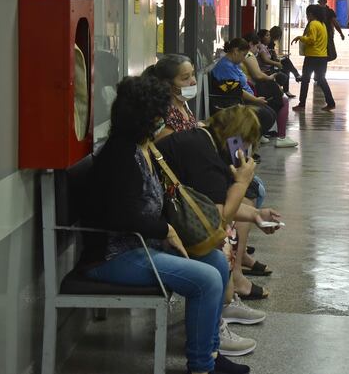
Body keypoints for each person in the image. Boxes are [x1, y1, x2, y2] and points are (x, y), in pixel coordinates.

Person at [81, 76, 250, 374]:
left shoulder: (143, 148)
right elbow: (120, 217)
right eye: (159, 113)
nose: (164, 118)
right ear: (144, 115)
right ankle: (201, 366)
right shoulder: (121, 155)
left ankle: (211, 352)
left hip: (142, 246)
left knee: (217, 264)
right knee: (207, 280)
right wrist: (166, 230)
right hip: (113, 255)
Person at [156, 106, 283, 303]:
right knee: (225, 238)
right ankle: (227, 301)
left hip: (167, 212)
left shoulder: (204, 140)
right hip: (158, 226)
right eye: (246, 143)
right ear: (236, 139)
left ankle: (227, 301)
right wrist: (242, 183)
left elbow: (214, 204)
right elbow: (218, 221)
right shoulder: (206, 156)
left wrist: (257, 214)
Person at [212, 38, 296, 148]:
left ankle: (252, 141)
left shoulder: (234, 64)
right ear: (236, 51)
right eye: (243, 55)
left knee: (270, 112)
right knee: (267, 115)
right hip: (235, 102)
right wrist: (255, 100)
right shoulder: (225, 67)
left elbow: (243, 82)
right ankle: (248, 144)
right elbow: (236, 90)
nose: (243, 59)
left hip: (246, 97)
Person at [243, 35, 298, 148]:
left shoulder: (241, 57)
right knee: (283, 100)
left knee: (277, 92)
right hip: (252, 89)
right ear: (250, 45)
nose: (258, 50)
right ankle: (281, 137)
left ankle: (262, 132)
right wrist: (270, 77)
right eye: (257, 47)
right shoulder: (248, 55)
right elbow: (257, 75)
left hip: (250, 88)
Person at [291, 5, 337, 111]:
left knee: (305, 80)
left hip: (312, 57)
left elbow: (311, 40)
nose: (307, 16)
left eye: (307, 14)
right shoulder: (322, 25)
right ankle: (331, 103)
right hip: (322, 57)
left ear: (311, 14)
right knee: (321, 80)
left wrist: (300, 37)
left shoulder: (313, 24)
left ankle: (302, 104)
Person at [317, 0, 345, 65]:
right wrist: (341, 33)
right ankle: (322, 73)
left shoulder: (315, 10)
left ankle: (318, 73)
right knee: (327, 55)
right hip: (327, 36)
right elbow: (335, 23)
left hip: (316, 36)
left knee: (317, 55)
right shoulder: (330, 11)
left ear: (318, 1)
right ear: (326, 1)